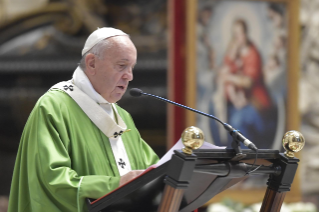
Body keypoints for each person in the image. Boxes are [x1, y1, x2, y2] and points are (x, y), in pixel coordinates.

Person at [8, 27, 159, 212]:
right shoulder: (53, 107)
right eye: (121, 66)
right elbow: (51, 181)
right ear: (92, 63)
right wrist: (115, 184)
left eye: (131, 68)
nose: (130, 76)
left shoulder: (122, 117)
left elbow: (152, 171)